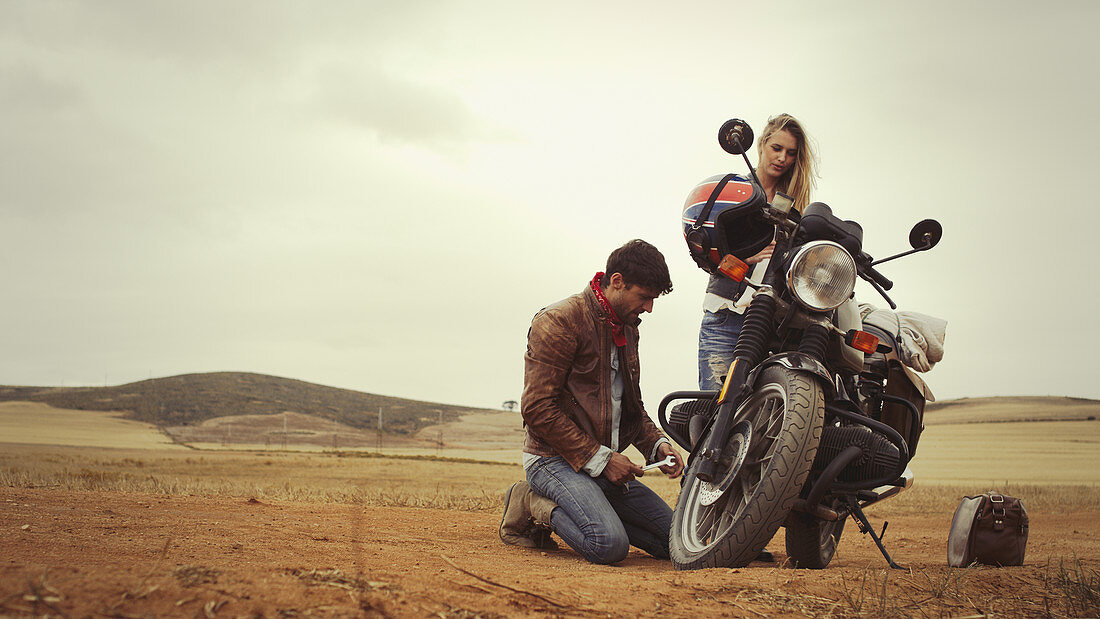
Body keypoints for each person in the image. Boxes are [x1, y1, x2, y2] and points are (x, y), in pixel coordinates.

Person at [499, 239, 685, 564]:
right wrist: (603, 459)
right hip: (553, 460)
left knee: (676, 544)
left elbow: (632, 407)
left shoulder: (628, 328)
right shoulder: (559, 321)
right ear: (616, 282)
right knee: (608, 545)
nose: (650, 308)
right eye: (644, 297)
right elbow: (536, 408)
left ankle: (594, 508)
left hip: (602, 468)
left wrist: (659, 446)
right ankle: (531, 501)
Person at [698, 113, 818, 390]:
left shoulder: (797, 210)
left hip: (769, 322)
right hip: (726, 311)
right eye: (777, 148)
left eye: (791, 153)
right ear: (762, 144)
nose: (782, 158)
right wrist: (742, 257)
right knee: (712, 409)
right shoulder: (732, 192)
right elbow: (704, 251)